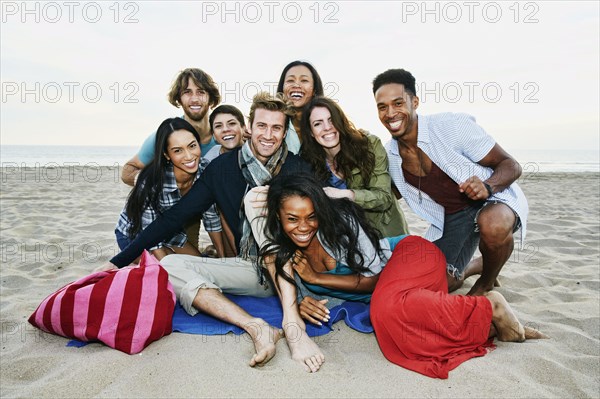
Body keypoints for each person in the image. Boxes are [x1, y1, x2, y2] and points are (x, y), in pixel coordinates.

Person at [101, 92, 317, 370]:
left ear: (285, 132)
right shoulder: (220, 170)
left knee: (260, 199)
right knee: (169, 264)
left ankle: (291, 316)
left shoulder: (298, 169)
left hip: (290, 270)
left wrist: (302, 290)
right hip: (252, 269)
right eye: (262, 126)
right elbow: (173, 218)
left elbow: (314, 227)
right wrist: (116, 262)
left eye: (277, 128)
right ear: (249, 128)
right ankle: (255, 326)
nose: (268, 135)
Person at [254, 174, 546, 378]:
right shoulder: (281, 251)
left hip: (410, 257)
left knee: (385, 310)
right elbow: (289, 290)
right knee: (398, 337)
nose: (303, 226)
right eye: (292, 219)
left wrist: (318, 280)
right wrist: (304, 298)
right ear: (278, 218)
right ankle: (490, 326)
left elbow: (373, 279)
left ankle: (490, 304)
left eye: (311, 216)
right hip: (404, 294)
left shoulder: (341, 224)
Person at [372, 68, 529, 296]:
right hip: (452, 218)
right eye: (382, 107)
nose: (390, 113)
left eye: (398, 103)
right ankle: (476, 265)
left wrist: (488, 186)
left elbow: (511, 165)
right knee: (441, 284)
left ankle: (486, 282)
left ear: (414, 102)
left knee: (493, 225)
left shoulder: (450, 126)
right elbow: (386, 194)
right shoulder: (390, 156)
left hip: (493, 202)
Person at [299, 96, 409, 237]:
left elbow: (384, 198)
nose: (327, 127)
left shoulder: (369, 145)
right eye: (317, 124)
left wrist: (346, 194)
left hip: (385, 234)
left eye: (331, 120)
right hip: (347, 240)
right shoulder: (308, 161)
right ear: (310, 132)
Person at [115, 118, 208, 260]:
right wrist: (167, 266)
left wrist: (227, 258)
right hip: (136, 235)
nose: (189, 156)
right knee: (173, 269)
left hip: (171, 233)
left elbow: (213, 219)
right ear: (166, 155)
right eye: (178, 150)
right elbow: (151, 236)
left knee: (201, 263)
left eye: (192, 146)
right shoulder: (152, 181)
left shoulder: (205, 169)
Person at [121, 68, 221, 186]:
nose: (194, 99)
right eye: (187, 92)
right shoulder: (165, 137)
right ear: (179, 99)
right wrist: (162, 185)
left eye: (201, 92)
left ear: (210, 98)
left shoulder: (224, 137)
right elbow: (127, 172)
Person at [202, 104, 246, 257]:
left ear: (243, 127)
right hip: (225, 216)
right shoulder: (210, 162)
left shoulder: (256, 150)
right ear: (214, 135)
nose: (226, 129)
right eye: (219, 126)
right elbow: (212, 213)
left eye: (232, 123)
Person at [276, 60, 324, 153]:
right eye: (290, 80)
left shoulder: (329, 125)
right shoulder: (270, 125)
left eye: (304, 80)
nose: (296, 85)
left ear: (314, 89)